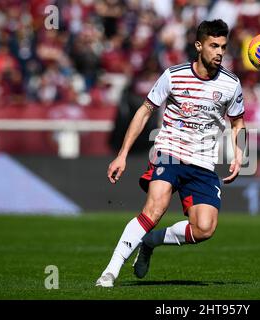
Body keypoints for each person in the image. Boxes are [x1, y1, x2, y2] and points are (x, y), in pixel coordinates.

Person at [96, 19, 246, 287]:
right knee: (154, 209)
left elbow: (237, 123)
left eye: (223, 46)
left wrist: (239, 154)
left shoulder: (231, 84)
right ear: (199, 46)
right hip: (169, 153)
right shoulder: (173, 75)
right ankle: (110, 271)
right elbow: (144, 110)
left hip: (203, 162)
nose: (220, 52)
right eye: (214, 45)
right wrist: (122, 154)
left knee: (205, 229)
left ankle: (151, 241)